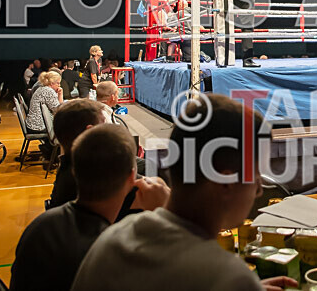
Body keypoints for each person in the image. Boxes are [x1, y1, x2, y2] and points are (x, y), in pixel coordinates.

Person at [71, 94, 297, 291]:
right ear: (226, 181)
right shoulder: (226, 275)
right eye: (255, 176)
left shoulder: (113, 239)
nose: (259, 190)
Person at [10, 124, 169, 291]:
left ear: (75, 170)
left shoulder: (40, 226)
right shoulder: (116, 252)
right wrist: (164, 214)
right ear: (132, 177)